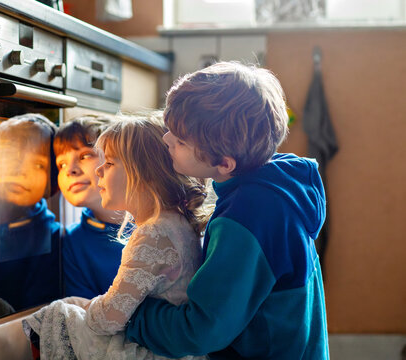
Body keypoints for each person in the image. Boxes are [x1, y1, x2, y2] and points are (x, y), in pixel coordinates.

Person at [125, 61, 330, 359]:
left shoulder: (248, 218)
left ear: (224, 164)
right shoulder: (276, 183)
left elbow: (201, 331)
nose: (166, 140)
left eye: (180, 140)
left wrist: (134, 313)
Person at [22, 114, 210, 360]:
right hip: (173, 348)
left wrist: (85, 309)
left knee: (56, 314)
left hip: (153, 351)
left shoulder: (152, 232)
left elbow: (108, 320)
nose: (100, 169)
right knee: (72, 304)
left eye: (108, 163)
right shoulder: (178, 223)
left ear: (143, 174)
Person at [0, 113, 62, 320]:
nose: (20, 171)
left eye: (37, 164)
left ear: (51, 185)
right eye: (9, 156)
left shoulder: (52, 238)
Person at [53, 115, 127, 299]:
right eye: (61, 164)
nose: (70, 170)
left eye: (85, 155)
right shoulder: (72, 241)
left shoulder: (159, 223)